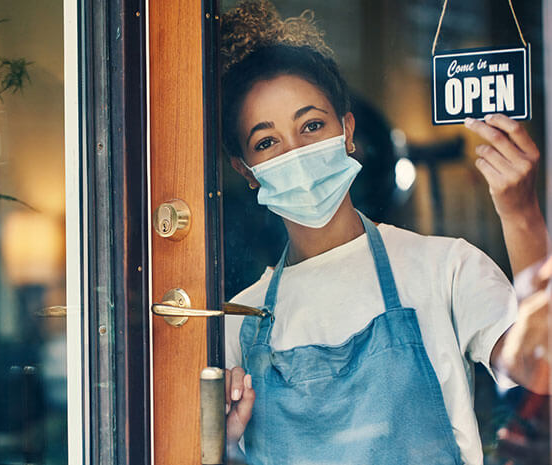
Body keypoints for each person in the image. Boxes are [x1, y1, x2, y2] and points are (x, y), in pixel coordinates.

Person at [220, 2, 550, 464]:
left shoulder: (446, 269)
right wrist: (225, 444)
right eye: (266, 142)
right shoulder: (239, 321)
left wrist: (521, 215)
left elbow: (542, 372)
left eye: (311, 125)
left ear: (348, 130)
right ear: (247, 171)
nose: (294, 151)